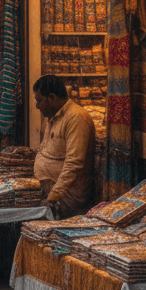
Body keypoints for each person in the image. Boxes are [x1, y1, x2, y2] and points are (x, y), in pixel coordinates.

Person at [32, 74, 96, 218]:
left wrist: (53, 197)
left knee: (30, 217)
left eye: (39, 100)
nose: (37, 106)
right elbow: (45, 149)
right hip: (47, 188)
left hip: (66, 195)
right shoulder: (52, 116)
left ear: (52, 97)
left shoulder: (77, 118)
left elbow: (73, 164)